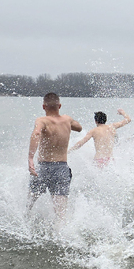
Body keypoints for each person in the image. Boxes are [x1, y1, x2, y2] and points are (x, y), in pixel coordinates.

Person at [28, 93, 83, 221]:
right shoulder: (67, 119)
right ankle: (61, 238)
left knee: (29, 205)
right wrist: (67, 122)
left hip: (42, 168)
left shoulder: (42, 121)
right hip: (61, 169)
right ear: (59, 105)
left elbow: (36, 133)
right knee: (61, 214)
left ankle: (25, 232)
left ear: (43, 107)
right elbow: (79, 128)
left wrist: (30, 158)